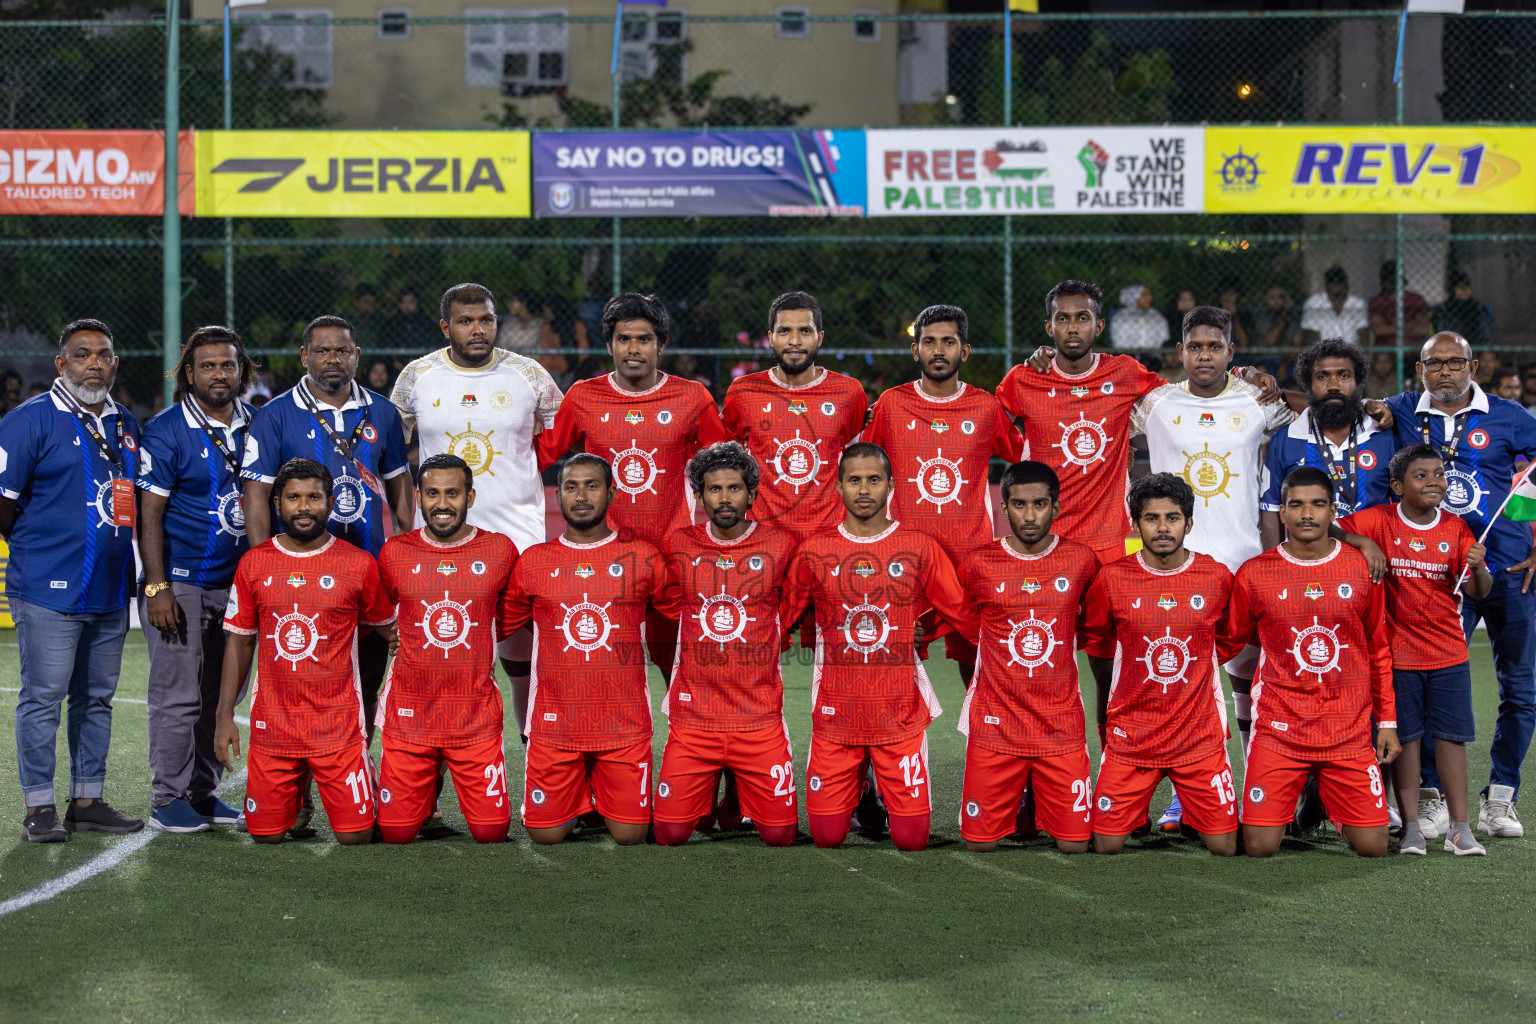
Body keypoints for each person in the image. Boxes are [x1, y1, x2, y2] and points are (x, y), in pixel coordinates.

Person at [1129, 306, 1294, 831]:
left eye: (1215, 347)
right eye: (1195, 347)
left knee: (1247, 685)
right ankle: (1185, 795)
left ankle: (1252, 789)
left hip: (1245, 561)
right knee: (1178, 684)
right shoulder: (1153, 404)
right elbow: (1090, 414)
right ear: (1181, 352)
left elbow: (1310, 424)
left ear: (1230, 352)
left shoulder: (1259, 402)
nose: (1205, 355)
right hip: (1174, 567)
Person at [779, 442, 980, 852]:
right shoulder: (814, 550)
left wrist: (920, 628)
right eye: (854, 480)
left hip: (899, 713)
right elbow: (780, 619)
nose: (864, 489)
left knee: (911, 840)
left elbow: (963, 612)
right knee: (826, 837)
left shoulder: (919, 546)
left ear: (891, 485)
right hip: (837, 715)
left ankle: (878, 786)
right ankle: (862, 785)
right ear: (837, 487)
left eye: (874, 480)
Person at [997, 279, 1278, 565]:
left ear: (1099, 326)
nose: (1072, 328)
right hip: (1043, 535)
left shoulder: (1124, 373)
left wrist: (1245, 373)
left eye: (1082, 318)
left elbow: (1185, 396)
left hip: (1107, 539)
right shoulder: (1024, 379)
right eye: (1062, 319)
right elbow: (993, 433)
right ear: (1049, 327)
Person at [391, 282, 563, 741]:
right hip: (443, 546)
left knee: (527, 654)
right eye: (465, 321)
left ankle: (535, 744)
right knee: (439, 652)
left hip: (519, 543)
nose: (477, 329)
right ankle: (427, 767)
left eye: (486, 319)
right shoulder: (417, 376)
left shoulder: (530, 375)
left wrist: (516, 475)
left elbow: (558, 440)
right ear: (446, 326)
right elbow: (390, 453)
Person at [1384, 332, 1536, 839]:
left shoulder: (1510, 415)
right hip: (1439, 577)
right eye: (1435, 363)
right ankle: (1430, 797)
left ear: (1473, 365)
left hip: (1511, 570)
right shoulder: (1402, 409)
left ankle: (1502, 796)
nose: (1445, 372)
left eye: (1455, 362)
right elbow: (1343, 405)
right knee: (1428, 683)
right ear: (1420, 370)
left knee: (1519, 686)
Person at [241, 315, 411, 758]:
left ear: (356, 355)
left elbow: (401, 494)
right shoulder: (274, 415)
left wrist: (411, 562)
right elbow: (257, 496)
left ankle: (355, 770)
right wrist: (264, 565)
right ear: (304, 356)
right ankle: (294, 795)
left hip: (367, 575)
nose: (333, 359)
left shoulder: (383, 412)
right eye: (322, 351)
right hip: (298, 579)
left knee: (366, 682)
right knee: (294, 685)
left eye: (342, 350)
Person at [0, 319, 144, 841]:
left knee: (96, 698)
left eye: (103, 354)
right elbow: (3, 506)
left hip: (109, 588)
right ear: (62, 365)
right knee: (44, 697)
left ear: (114, 362)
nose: (94, 364)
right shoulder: (27, 422)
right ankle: (38, 807)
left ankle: (87, 799)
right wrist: (42, 551)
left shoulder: (125, 422)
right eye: (82, 355)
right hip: (46, 589)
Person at [536, 292, 729, 679]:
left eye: (644, 339)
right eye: (624, 339)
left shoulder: (692, 398)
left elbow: (725, 472)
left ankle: (688, 737)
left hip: (673, 556)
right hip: (604, 560)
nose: (633, 348)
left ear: (662, 343)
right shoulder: (583, 396)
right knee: (599, 664)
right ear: (609, 345)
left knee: (681, 668)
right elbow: (540, 456)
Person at [215, 458, 396, 844]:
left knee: (357, 837)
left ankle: (362, 783)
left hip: (338, 729)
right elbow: (240, 641)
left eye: (313, 497)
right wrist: (224, 714)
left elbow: (389, 631)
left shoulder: (358, 564)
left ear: (330, 502)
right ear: (277, 503)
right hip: (274, 728)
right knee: (265, 837)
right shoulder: (254, 563)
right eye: (293, 498)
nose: (303, 507)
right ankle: (294, 797)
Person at [1226, 467, 1399, 858]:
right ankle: (1295, 794)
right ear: (1281, 513)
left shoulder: (1362, 569)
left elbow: (1378, 650)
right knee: (1259, 846)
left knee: (1373, 847)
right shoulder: (1254, 574)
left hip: (1347, 730)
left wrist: (1386, 723)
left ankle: (1324, 798)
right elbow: (1229, 640)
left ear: (1331, 511)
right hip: (1279, 729)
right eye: (1297, 505)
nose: (1307, 513)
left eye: (1318, 504)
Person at [500, 454, 665, 846]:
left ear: (611, 492)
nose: (581, 495)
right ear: (558, 497)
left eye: (592, 486)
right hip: (556, 727)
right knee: (544, 836)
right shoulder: (534, 562)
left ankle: (597, 792)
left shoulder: (643, 557)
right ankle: (579, 796)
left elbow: (681, 619)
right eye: (571, 487)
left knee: (631, 837)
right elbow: (498, 627)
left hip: (622, 726)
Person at [1338, 445, 1491, 855]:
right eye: (1421, 475)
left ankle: (1461, 828)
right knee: (1403, 742)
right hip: (1397, 656)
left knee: (1450, 740)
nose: (1433, 482)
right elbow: (1331, 527)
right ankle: (1410, 828)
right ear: (1396, 486)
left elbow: (1479, 592)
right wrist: (1362, 542)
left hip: (1448, 653)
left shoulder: (1457, 529)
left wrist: (1477, 566)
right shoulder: (1379, 521)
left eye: (1439, 474)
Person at [1079, 474, 1241, 857]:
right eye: (1152, 518)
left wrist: (1197, 662)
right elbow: (1098, 633)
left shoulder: (1216, 576)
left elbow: (1233, 634)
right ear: (1136, 525)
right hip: (1134, 736)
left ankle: (1190, 813)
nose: (1163, 527)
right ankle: (1135, 814)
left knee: (1226, 847)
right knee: (1106, 846)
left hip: (1197, 735)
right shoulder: (1113, 578)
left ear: (1189, 523)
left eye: (1173, 517)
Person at [135, 325, 257, 834]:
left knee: (220, 693)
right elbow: (150, 515)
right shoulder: (166, 429)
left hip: (237, 584)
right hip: (181, 581)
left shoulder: (259, 423)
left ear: (242, 370)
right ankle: (167, 798)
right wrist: (157, 586)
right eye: (207, 366)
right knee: (179, 694)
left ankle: (202, 792)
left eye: (227, 365)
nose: (219, 374)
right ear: (189, 374)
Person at [865, 303, 1025, 685]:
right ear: (915, 350)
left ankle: (983, 731)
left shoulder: (986, 408)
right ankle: (901, 742)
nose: (938, 350)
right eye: (929, 342)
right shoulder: (891, 404)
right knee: (897, 658)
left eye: (948, 342)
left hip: (970, 559)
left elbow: (1028, 457)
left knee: (978, 661)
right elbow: (861, 467)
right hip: (906, 560)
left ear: (963, 351)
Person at [652, 442, 800, 847]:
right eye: (713, 489)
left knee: (781, 836)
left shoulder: (782, 545)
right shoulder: (677, 543)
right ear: (699, 496)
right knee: (668, 834)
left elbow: (796, 605)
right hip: (694, 719)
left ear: (752, 494)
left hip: (758, 718)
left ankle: (736, 786)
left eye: (734, 488)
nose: (724, 498)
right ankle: (708, 788)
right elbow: (663, 602)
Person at [375, 454, 519, 845]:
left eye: (452, 493)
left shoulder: (501, 551)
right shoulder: (393, 553)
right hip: (410, 714)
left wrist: (480, 641)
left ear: (470, 497)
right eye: (433, 494)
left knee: (492, 833)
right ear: (419, 497)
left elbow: (513, 612)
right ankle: (406, 794)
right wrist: (394, 631)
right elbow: (377, 611)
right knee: (394, 833)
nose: (442, 504)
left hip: (473, 715)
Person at [955, 460, 1098, 854]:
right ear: (1003, 508)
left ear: (1057, 506)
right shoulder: (977, 563)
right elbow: (958, 618)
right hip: (995, 726)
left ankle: (1034, 802)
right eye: (1019, 505)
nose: (1030, 515)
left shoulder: (1082, 561)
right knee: (978, 845)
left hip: (1060, 725)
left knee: (1075, 846)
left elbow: (1098, 625)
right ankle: (1022, 801)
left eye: (1040, 504)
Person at [721, 291, 869, 546]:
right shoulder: (743, 392)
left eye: (805, 331)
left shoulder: (849, 392)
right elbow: (725, 462)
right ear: (770, 337)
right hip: (762, 541)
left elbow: (859, 464)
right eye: (784, 331)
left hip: (829, 540)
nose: (794, 340)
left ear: (820, 337)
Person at [1368, 260, 1433, 350]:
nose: (1389, 284)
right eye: (1387, 280)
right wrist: (1409, 326)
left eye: (1392, 280)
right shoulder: (1377, 302)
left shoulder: (1416, 300)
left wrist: (1391, 329)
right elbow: (1379, 331)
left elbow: (1423, 329)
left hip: (1413, 351)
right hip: (1387, 356)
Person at [1300, 266, 1369, 349]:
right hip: (1323, 353)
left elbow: (1363, 336)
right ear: (1326, 284)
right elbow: (1311, 337)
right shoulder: (1314, 304)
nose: (1336, 285)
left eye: (1340, 281)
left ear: (1346, 283)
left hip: (1351, 354)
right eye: (1332, 281)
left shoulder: (1357, 304)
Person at [1432, 272, 1492, 349]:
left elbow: (1486, 336)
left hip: (1474, 348)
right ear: (1452, 289)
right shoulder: (1442, 311)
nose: (1465, 290)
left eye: (1467, 286)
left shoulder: (1478, 309)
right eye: (1460, 287)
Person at [1109, 284, 1169, 352]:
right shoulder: (1120, 318)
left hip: (1154, 357)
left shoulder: (1156, 316)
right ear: (1134, 297)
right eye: (1145, 295)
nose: (1150, 299)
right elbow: (1119, 343)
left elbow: (1164, 339)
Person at [378, 286, 438, 351]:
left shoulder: (427, 323)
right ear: (399, 304)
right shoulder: (391, 324)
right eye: (403, 302)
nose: (407, 306)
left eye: (411, 302)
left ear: (417, 303)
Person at [1255, 283, 1302, 354]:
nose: (1276, 301)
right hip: (1267, 355)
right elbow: (1270, 340)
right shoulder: (1263, 315)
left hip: (1288, 356)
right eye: (1272, 298)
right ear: (1266, 299)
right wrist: (1284, 316)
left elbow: (1297, 343)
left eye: (1280, 297)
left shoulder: (1294, 316)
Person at [495, 289, 543, 354]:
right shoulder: (509, 323)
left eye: (512, 301)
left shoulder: (539, 324)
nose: (509, 305)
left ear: (523, 303)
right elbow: (501, 345)